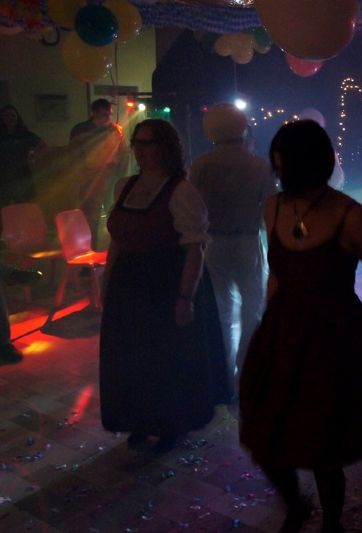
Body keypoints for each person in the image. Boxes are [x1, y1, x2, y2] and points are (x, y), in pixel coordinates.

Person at [238, 120, 362, 533]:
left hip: (333, 336)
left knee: (324, 444)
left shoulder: (349, 215)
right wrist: (271, 321)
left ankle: (332, 523)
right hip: (284, 330)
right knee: (267, 434)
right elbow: (278, 272)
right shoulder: (273, 207)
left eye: (282, 162)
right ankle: (296, 505)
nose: (277, 170)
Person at [99, 119, 230, 453]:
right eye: (138, 143)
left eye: (149, 143)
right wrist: (107, 281)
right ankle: (141, 418)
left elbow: (195, 248)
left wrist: (185, 297)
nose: (141, 150)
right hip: (130, 286)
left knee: (166, 358)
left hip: (165, 285)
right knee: (133, 356)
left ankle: (171, 423)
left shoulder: (181, 191)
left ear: (166, 148)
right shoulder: (125, 186)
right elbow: (117, 240)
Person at [190, 103, 276, 385]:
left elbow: (193, 208)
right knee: (252, 306)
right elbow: (270, 208)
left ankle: (224, 373)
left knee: (221, 308)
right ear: (242, 128)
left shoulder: (201, 164)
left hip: (214, 241)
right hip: (248, 240)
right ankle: (246, 368)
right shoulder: (259, 165)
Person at [69, 98, 129, 247]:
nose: (107, 117)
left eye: (109, 114)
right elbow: (74, 154)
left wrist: (122, 177)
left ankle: (116, 248)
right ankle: (91, 248)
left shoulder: (115, 129)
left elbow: (123, 153)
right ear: (94, 113)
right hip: (90, 178)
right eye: (103, 114)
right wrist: (81, 175)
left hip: (111, 177)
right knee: (90, 216)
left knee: (114, 214)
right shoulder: (81, 130)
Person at [0, 104, 47, 207]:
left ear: (17, 117)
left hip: (21, 174)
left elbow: (43, 146)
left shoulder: (24, 134)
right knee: (4, 205)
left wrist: (33, 158)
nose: (10, 118)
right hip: (3, 175)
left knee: (23, 204)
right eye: (6, 115)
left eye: (13, 115)